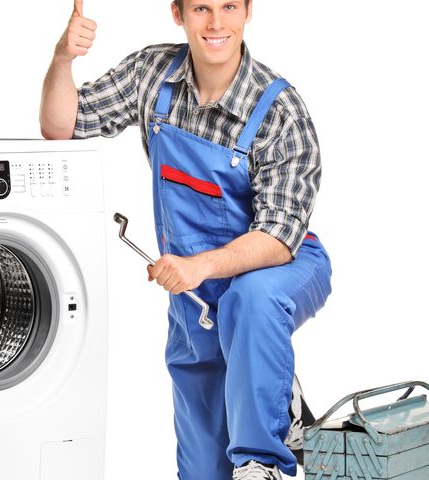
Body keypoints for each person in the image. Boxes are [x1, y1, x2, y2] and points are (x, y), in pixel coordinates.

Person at [40, 1, 332, 479]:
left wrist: (200, 266)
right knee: (202, 470)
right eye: (201, 8)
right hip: (194, 292)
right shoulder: (152, 74)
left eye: (229, 6)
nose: (216, 23)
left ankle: (261, 461)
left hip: (283, 266)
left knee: (249, 299)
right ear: (177, 13)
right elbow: (61, 126)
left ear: (248, 11)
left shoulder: (279, 110)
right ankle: (282, 399)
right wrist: (63, 58)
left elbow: (279, 237)